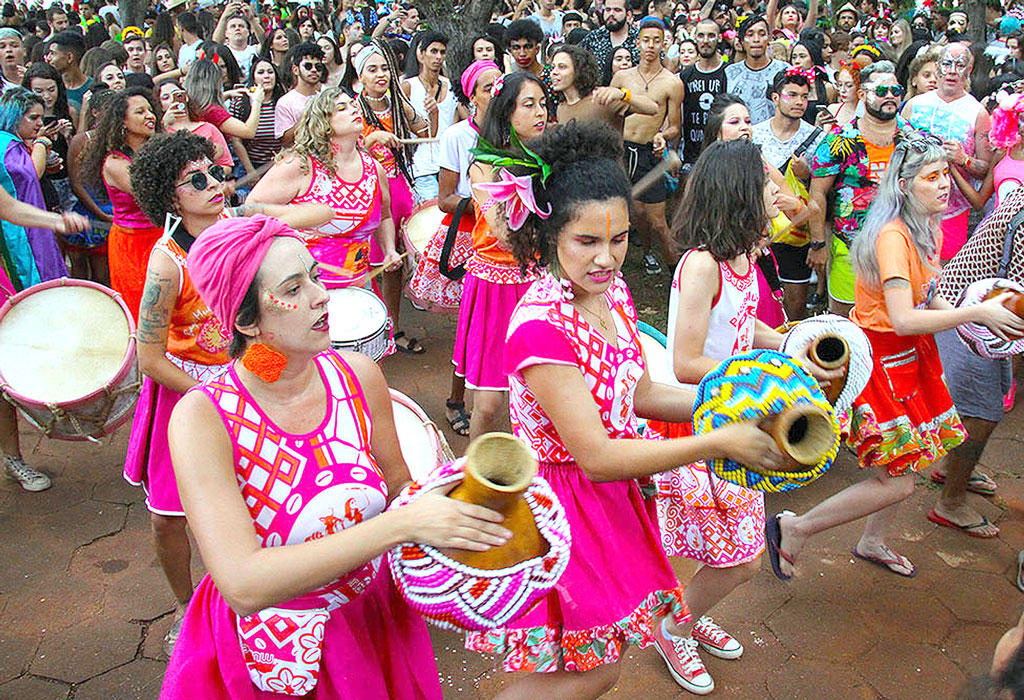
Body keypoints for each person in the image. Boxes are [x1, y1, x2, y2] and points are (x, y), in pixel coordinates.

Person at [466, 119, 781, 699]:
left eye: (619, 240)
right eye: (586, 241)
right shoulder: (541, 326)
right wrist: (718, 440)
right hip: (558, 514)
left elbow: (637, 394)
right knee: (590, 669)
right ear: (548, 233)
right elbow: (598, 456)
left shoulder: (612, 295)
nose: (607, 258)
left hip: (603, 502)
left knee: (594, 666)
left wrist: (737, 405)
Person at [159, 215, 510, 699]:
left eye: (315, 276)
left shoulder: (357, 377)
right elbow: (242, 583)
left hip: (373, 621)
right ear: (245, 321)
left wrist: (456, 504)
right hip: (271, 652)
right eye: (294, 287)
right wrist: (402, 527)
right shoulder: (205, 418)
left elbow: (398, 492)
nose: (321, 295)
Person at [768, 135, 1024, 583]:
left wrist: (976, 319)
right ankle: (795, 527)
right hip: (880, 360)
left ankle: (873, 541)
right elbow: (904, 319)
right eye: (932, 177)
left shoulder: (926, 226)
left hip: (911, 358)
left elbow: (933, 299)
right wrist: (978, 312)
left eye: (945, 174)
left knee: (909, 462)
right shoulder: (892, 236)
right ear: (904, 186)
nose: (945, 184)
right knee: (900, 479)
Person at [124, 130, 333, 658]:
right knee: (169, 517)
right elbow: (149, 358)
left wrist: (259, 210)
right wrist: (214, 396)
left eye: (216, 172)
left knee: (263, 502)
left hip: (255, 379)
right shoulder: (166, 261)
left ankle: (276, 597)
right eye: (196, 180)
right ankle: (183, 605)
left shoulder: (240, 227)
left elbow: (320, 213)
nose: (214, 183)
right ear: (170, 197)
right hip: (187, 396)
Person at [454, 71, 546, 439]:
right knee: (490, 403)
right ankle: (475, 481)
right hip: (495, 286)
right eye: (529, 104)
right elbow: (506, 237)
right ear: (507, 112)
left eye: (543, 103)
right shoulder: (485, 165)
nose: (540, 112)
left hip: (537, 283)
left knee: (542, 393)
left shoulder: (548, 158)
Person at [249, 87, 401, 292]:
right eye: (341, 108)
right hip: (306, 289)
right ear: (323, 122)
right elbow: (252, 209)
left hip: (358, 287)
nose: (354, 109)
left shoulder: (375, 170)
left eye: (353, 105)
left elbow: (384, 217)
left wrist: (389, 250)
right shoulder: (300, 166)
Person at [808, 61, 907, 317]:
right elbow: (817, 193)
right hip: (850, 249)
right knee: (847, 323)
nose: (889, 97)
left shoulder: (914, 139)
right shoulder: (840, 139)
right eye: (881, 90)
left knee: (898, 320)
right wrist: (818, 244)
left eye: (895, 91)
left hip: (902, 247)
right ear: (862, 95)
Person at [355, 40, 428, 354]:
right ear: (360, 77)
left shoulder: (396, 103)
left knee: (394, 264)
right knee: (366, 265)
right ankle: (368, 331)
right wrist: (370, 140)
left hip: (397, 188)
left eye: (385, 68)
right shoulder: (353, 108)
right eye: (372, 69)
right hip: (366, 192)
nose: (380, 74)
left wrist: (411, 109)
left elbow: (422, 131)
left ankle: (393, 327)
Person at [902, 43, 992, 262]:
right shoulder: (914, 105)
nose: (952, 71)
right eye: (947, 64)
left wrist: (964, 159)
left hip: (952, 211)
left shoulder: (977, 112)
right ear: (939, 67)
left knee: (943, 275)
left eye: (960, 65)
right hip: (912, 207)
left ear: (968, 71)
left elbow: (985, 169)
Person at [81, 86, 159, 322]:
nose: (150, 115)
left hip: (161, 235)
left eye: (150, 110)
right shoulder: (114, 163)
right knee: (145, 311)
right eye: (140, 112)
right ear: (123, 122)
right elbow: (154, 193)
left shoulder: (153, 150)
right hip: (133, 244)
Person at [612, 18, 682, 275]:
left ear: (664, 43)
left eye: (656, 40)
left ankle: (676, 269)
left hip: (647, 154)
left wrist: (664, 136)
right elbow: (608, 112)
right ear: (637, 42)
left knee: (657, 220)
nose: (650, 45)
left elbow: (676, 126)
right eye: (645, 40)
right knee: (634, 212)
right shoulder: (622, 76)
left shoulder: (672, 83)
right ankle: (646, 253)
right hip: (620, 152)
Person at [752, 69, 824, 319]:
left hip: (798, 230)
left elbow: (822, 192)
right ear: (775, 97)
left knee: (795, 300)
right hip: (760, 229)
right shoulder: (755, 133)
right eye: (792, 95)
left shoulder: (817, 138)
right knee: (758, 295)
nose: (799, 102)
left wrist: (805, 175)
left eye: (804, 97)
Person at [0, 86, 67, 292]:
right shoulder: (7, 146)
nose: (40, 123)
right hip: (20, 232)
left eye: (41, 117)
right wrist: (42, 142)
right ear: (14, 116)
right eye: (33, 117)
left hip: (32, 223)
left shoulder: (13, 144)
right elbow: (33, 172)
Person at [401, 30, 456, 202]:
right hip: (421, 165)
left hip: (449, 163)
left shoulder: (450, 86)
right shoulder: (408, 86)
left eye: (442, 52)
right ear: (421, 54)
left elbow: (456, 122)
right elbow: (416, 131)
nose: (438, 57)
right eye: (433, 51)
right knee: (430, 215)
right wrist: (433, 116)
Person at [550, 44, 656, 133]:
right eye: (553, 67)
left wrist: (623, 95)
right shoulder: (561, 108)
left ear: (578, 70)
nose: (554, 72)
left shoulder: (601, 97)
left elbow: (652, 108)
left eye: (562, 67)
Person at [680, 19, 727, 170]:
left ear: (719, 38)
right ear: (695, 38)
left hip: (722, 157)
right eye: (701, 35)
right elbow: (678, 118)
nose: (705, 41)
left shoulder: (730, 73)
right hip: (692, 158)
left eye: (711, 36)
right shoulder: (685, 76)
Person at [725, 16, 789, 124]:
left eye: (762, 34)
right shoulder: (729, 73)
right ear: (741, 41)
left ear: (769, 38)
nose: (756, 39)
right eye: (750, 35)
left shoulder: (784, 70)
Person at [157, 80, 233, 170]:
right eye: (166, 98)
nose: (173, 100)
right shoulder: (160, 132)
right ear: (160, 105)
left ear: (186, 97)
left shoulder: (208, 128)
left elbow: (226, 164)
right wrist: (164, 125)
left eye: (178, 95)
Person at [229, 57, 283, 175]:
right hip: (249, 164)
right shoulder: (241, 102)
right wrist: (250, 170)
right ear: (253, 77)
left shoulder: (284, 101)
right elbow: (236, 141)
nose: (267, 76)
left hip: (280, 164)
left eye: (270, 72)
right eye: (261, 72)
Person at [274, 42, 323, 147]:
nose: (314, 70)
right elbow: (285, 142)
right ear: (295, 70)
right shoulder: (285, 102)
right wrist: (306, 117)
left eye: (318, 67)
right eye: (308, 66)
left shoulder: (325, 97)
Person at [579, 0, 638, 70]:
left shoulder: (639, 38)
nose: (611, 14)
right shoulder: (594, 38)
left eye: (617, 10)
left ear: (628, 15)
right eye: (608, 10)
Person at [45, 31, 91, 111]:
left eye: (53, 53)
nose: (48, 58)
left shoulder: (92, 89)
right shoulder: (51, 88)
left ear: (69, 57)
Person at [212, 2, 260, 77]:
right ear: (226, 33)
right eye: (233, 26)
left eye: (241, 26)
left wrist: (252, 19)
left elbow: (266, 43)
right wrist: (224, 16)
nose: (237, 28)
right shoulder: (224, 51)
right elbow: (214, 43)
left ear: (248, 32)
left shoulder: (255, 50)